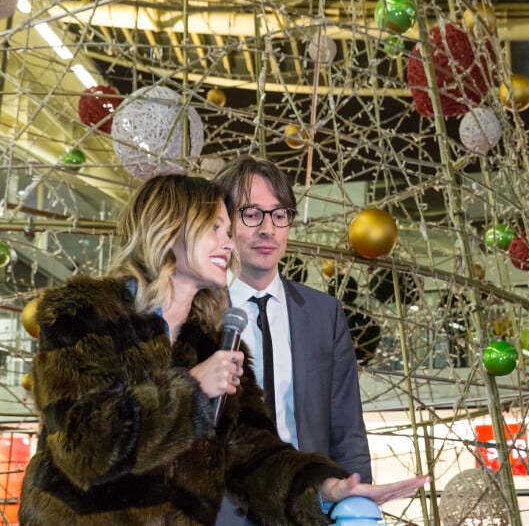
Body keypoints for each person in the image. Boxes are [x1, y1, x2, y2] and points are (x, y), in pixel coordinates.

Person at [18, 174, 428, 525]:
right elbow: (82, 447)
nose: (229, 244)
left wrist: (324, 489)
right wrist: (191, 390)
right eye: (215, 228)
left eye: (229, 233)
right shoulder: (84, 313)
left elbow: (252, 456)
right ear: (170, 227)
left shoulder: (214, 344)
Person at [214, 155, 375, 524]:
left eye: (279, 214)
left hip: (307, 509)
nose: (267, 228)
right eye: (251, 213)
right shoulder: (199, 312)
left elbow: (347, 427)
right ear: (222, 223)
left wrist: (358, 501)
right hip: (222, 513)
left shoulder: (323, 313)